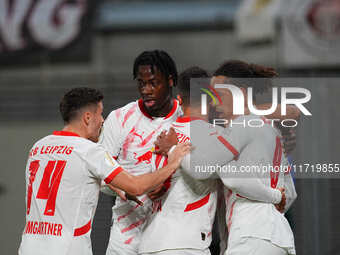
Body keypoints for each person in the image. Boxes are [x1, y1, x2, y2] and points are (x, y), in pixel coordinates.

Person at [18, 87, 190, 255]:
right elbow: (136, 186)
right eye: (100, 114)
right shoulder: (89, 151)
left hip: (29, 246)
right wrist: (172, 164)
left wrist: (118, 188)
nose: (102, 120)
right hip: (68, 248)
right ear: (87, 118)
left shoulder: (38, 147)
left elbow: (70, 180)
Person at [138, 66, 288, 255]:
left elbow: (139, 186)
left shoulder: (159, 136)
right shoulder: (216, 136)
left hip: (149, 241)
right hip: (186, 245)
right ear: (210, 101)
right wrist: (277, 196)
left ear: (179, 100)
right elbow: (236, 178)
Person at [100, 50, 183, 255]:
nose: (146, 90)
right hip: (125, 236)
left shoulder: (185, 119)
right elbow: (100, 175)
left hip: (172, 235)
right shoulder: (119, 118)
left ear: (170, 81)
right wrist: (124, 189)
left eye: (154, 83)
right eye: (141, 83)